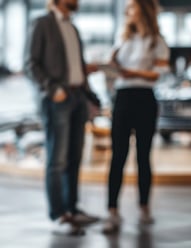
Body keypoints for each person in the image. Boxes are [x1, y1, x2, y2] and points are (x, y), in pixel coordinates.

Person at [25, 0, 100, 235]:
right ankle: (59, 215)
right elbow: (30, 64)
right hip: (57, 99)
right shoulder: (42, 24)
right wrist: (52, 89)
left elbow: (77, 65)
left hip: (78, 96)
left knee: (74, 157)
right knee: (57, 160)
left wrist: (90, 96)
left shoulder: (73, 27)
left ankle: (72, 209)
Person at [102, 0, 170, 233]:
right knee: (117, 156)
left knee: (143, 155)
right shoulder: (122, 39)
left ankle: (144, 207)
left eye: (132, 7)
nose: (127, 11)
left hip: (144, 98)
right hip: (122, 98)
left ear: (143, 9)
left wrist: (130, 72)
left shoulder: (157, 42)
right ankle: (112, 210)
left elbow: (156, 74)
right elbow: (112, 69)